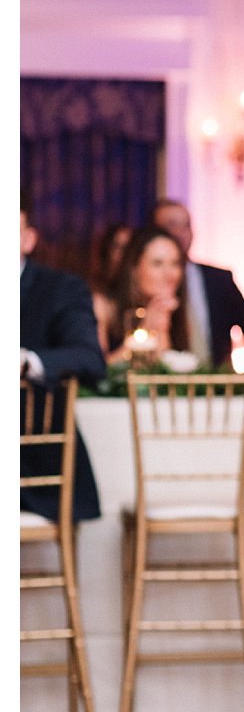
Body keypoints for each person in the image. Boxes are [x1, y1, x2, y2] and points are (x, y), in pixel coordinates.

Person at [20, 196, 106, 523]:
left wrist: (26, 362)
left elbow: (89, 358)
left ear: (28, 239)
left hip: (33, 466)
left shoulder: (60, 289)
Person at [151, 198, 244, 368]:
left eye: (186, 225)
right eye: (171, 225)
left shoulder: (219, 279)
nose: (180, 233)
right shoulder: (147, 281)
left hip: (214, 385)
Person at [92, 226, 189, 365]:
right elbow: (96, 374)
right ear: (134, 269)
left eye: (175, 264)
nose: (170, 274)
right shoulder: (101, 307)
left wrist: (162, 332)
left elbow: (164, 374)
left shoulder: (174, 310)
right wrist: (145, 330)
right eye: (157, 264)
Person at [89, 221, 132, 298]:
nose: (125, 253)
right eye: (118, 247)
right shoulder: (95, 297)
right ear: (106, 251)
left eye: (129, 247)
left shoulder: (136, 295)